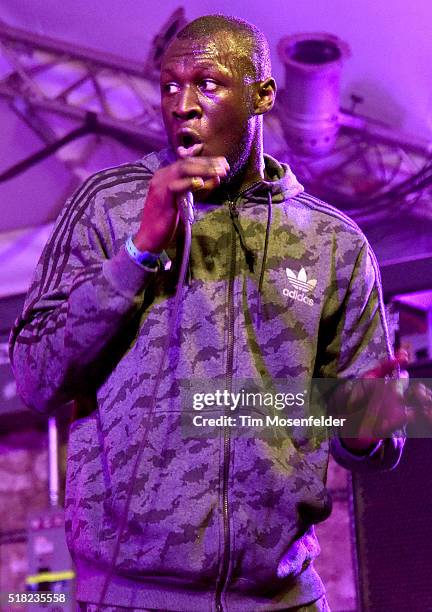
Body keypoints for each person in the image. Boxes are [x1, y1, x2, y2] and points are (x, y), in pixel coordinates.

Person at [9, 14, 410, 612]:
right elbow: (36, 379)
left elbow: (381, 437)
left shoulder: (335, 242)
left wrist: (367, 426)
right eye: (170, 85)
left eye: (208, 83)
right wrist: (137, 253)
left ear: (263, 95)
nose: (183, 105)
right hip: (128, 598)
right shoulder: (108, 206)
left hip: (281, 598)